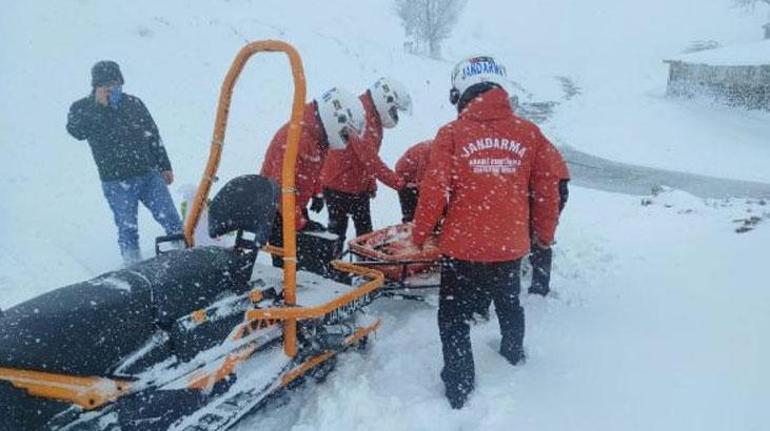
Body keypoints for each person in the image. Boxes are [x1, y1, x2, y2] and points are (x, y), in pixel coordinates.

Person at [410, 55, 563, 409]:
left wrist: (420, 234)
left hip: (462, 249)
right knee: (509, 305)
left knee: (453, 317)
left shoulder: (451, 134)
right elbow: (547, 190)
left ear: (460, 93)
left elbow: (434, 191)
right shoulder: (529, 133)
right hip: (509, 247)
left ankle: (459, 385)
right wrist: (544, 235)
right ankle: (513, 356)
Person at [66, 61, 183, 265]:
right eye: (108, 85)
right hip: (116, 182)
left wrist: (165, 166)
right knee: (128, 229)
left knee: (171, 219)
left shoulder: (134, 103)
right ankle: (132, 266)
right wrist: (98, 108)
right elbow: (76, 132)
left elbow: (153, 135)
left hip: (149, 175)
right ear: (97, 86)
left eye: (117, 83)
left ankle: (185, 255)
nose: (114, 88)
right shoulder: (82, 108)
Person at [260, 87, 366, 265]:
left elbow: (315, 168)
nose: (345, 137)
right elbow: (280, 188)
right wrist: (300, 223)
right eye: (345, 132)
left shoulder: (318, 136)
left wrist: (317, 193)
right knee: (288, 263)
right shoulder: (296, 138)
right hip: (276, 209)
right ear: (335, 119)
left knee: (308, 254)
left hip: (292, 205)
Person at [318, 77, 410, 252]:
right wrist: (398, 183)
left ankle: (357, 264)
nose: (394, 114)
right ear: (385, 99)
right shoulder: (361, 114)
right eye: (393, 109)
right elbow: (369, 158)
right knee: (339, 234)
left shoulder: (371, 113)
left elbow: (365, 157)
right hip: (338, 185)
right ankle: (333, 266)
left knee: (365, 235)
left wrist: (369, 182)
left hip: (355, 186)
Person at [528, 148, 570, 296]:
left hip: (548, 184)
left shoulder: (535, 151)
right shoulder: (536, 144)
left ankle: (539, 288)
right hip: (553, 181)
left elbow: (547, 207)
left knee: (539, 237)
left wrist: (544, 237)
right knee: (534, 232)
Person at [395, 140, 432, 223]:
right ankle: (411, 221)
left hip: (411, 173)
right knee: (413, 214)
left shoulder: (438, 150)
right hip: (405, 176)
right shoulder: (429, 151)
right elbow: (422, 179)